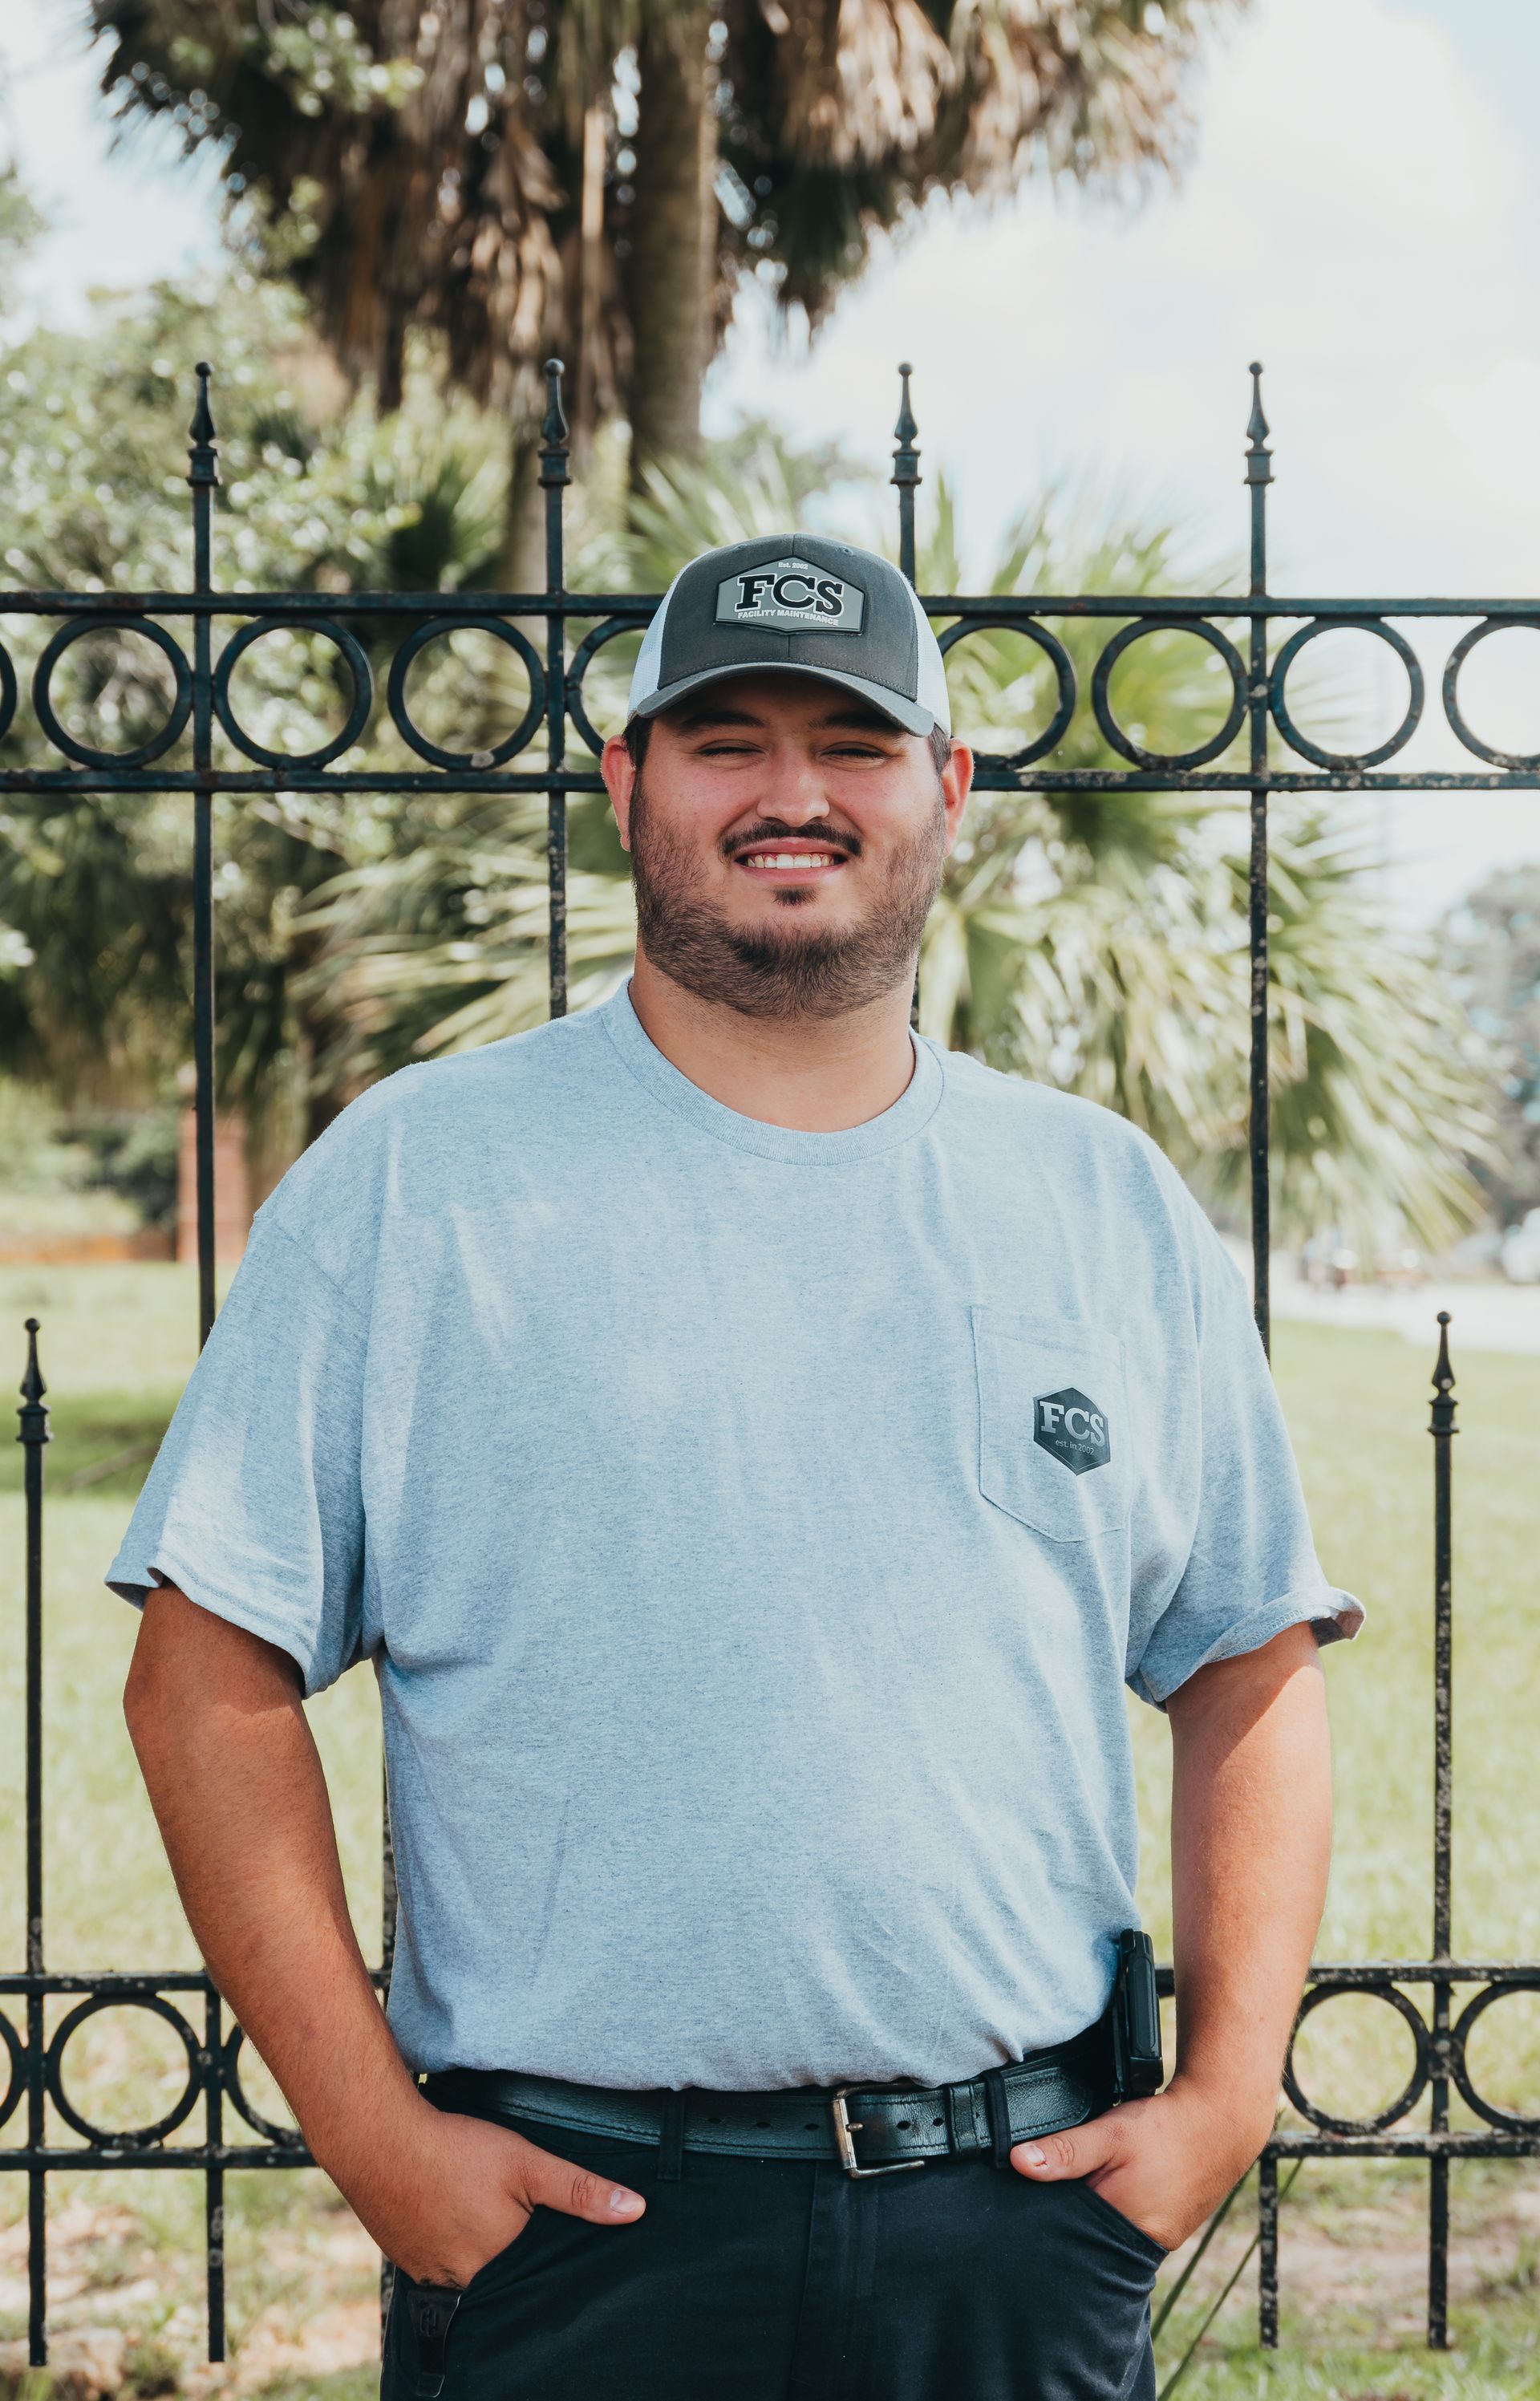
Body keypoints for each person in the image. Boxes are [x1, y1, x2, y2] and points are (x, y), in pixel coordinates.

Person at [111, 533, 1360, 2401]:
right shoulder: (421, 1180)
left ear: (947, 789)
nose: (794, 795)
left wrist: (1227, 2096)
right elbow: (204, 1681)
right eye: (726, 742)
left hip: (1012, 2230)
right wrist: (381, 2145)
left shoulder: (1099, 1201)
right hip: (577, 2244)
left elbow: (1247, 1661)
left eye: (855, 745)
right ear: (627, 786)